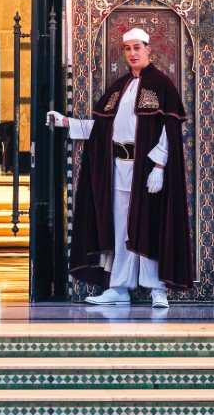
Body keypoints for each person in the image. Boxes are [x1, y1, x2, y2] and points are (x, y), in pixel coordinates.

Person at [46, 27, 192, 308]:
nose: (132, 53)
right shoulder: (120, 87)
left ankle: (156, 289)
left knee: (148, 226)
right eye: (127, 48)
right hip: (118, 169)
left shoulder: (162, 85)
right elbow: (102, 129)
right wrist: (66, 122)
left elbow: (168, 130)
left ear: (149, 49)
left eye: (137, 47)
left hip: (146, 171)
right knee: (120, 228)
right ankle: (119, 287)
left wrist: (159, 167)